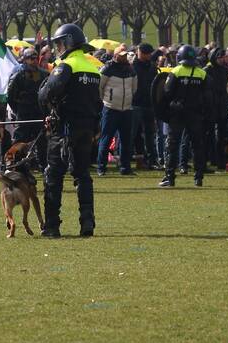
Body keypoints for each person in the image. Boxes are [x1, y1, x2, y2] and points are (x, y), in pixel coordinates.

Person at [38, 23, 102, 237]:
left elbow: (46, 93)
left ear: (68, 43)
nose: (57, 48)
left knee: (53, 175)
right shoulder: (93, 69)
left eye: (59, 43)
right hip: (87, 128)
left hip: (64, 129)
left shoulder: (66, 66)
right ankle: (87, 222)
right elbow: (97, 103)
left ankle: (52, 226)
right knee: (82, 175)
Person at [158, 44, 208, 188]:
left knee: (172, 145)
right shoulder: (202, 73)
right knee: (197, 146)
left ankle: (170, 177)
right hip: (196, 115)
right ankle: (199, 178)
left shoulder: (176, 71)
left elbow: (166, 92)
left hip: (178, 114)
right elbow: (208, 96)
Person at [97, 44, 136, 175]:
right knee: (106, 139)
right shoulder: (107, 69)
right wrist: (106, 101)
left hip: (126, 109)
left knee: (126, 140)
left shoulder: (131, 69)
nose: (124, 58)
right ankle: (101, 167)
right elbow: (100, 88)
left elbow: (134, 88)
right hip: (110, 109)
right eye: (122, 55)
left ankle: (125, 168)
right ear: (115, 56)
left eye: (125, 56)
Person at [5, 47, 48, 161]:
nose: (34, 60)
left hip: (39, 113)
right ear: (25, 60)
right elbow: (10, 96)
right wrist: (17, 110)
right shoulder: (18, 75)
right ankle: (14, 163)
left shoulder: (44, 74)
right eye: (31, 58)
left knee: (42, 142)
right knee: (19, 141)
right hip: (23, 113)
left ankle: (42, 166)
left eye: (35, 58)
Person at [131, 42, 159, 169]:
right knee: (135, 134)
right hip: (135, 103)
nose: (149, 56)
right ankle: (137, 159)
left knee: (149, 134)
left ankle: (151, 159)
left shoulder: (152, 67)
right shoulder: (132, 66)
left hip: (148, 104)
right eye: (147, 53)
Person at [203, 47, 228, 172]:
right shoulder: (207, 71)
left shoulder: (225, 70)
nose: (223, 59)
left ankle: (220, 160)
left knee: (222, 135)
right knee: (208, 134)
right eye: (221, 57)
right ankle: (210, 158)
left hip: (222, 106)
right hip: (211, 106)